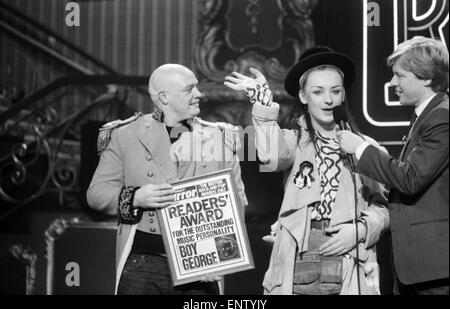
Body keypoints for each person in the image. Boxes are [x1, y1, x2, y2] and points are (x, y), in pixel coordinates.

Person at [225, 46, 389, 295]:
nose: (328, 99)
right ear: (303, 96)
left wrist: (361, 229)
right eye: (318, 91)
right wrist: (262, 102)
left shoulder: (365, 147)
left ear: (343, 94)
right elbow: (271, 156)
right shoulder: (294, 142)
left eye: (335, 91)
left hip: (348, 258)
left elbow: (384, 206)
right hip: (299, 260)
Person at [87, 63, 248, 295]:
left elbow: (237, 204)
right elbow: (96, 192)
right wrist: (135, 197)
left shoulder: (220, 138)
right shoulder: (125, 135)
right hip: (143, 263)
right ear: (164, 97)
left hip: (200, 268)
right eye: (189, 89)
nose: (199, 94)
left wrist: (220, 259)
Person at [337, 36, 449, 295]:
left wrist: (361, 149)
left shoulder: (441, 117)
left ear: (427, 78)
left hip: (433, 269)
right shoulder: (427, 115)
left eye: (400, 75)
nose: (392, 82)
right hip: (418, 268)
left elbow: (411, 179)